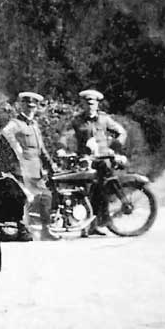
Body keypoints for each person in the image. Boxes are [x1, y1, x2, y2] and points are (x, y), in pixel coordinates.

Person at [61, 88, 128, 235]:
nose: (90, 106)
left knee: (102, 191)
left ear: (97, 104)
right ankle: (86, 225)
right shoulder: (77, 120)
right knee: (87, 192)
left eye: (92, 103)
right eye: (87, 103)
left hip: (104, 160)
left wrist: (114, 147)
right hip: (86, 161)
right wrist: (65, 149)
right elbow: (65, 137)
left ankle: (97, 224)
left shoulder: (104, 119)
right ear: (83, 104)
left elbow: (121, 132)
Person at [0, 91, 52, 242]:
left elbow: (40, 148)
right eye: (27, 106)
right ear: (21, 106)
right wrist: (17, 149)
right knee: (24, 200)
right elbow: (5, 133)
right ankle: (23, 230)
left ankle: (46, 230)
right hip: (22, 168)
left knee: (45, 197)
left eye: (33, 107)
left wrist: (50, 162)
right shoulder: (16, 123)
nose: (30, 109)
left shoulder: (34, 125)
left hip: (36, 168)